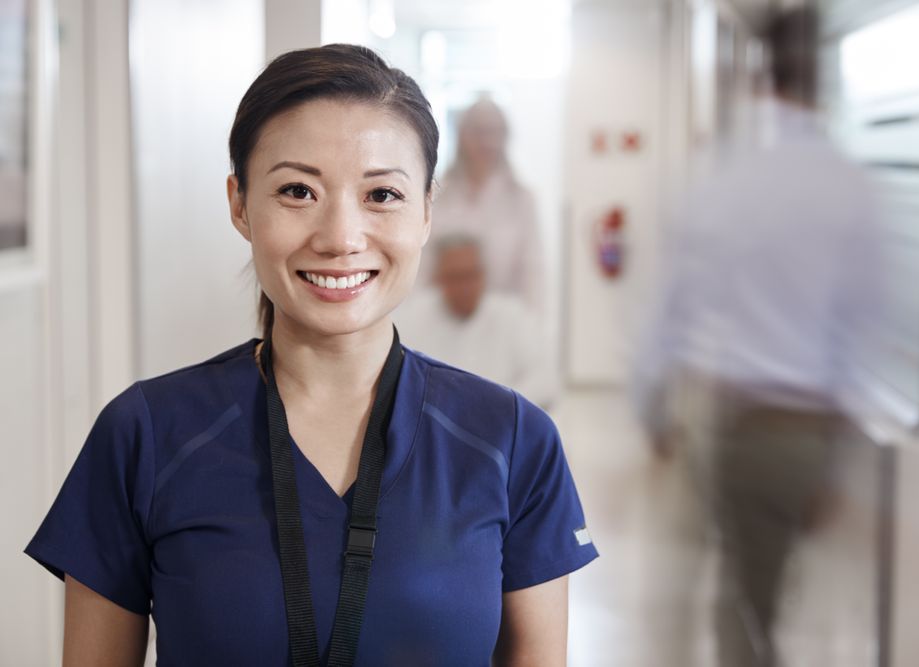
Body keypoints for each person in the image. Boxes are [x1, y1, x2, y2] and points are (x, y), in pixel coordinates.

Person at [25, 44, 597, 667]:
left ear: (429, 208)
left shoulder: (513, 442)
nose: (340, 238)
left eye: (382, 195)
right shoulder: (146, 434)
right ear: (240, 203)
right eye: (298, 190)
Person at [635, 7, 886, 667]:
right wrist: (838, 463)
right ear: (823, 81)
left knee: (731, 601)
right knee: (763, 597)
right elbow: (864, 330)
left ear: (758, 78)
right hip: (806, 431)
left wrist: (651, 409)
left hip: (724, 419)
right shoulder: (852, 188)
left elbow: (669, 311)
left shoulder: (725, 179)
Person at [397, 234, 557, 409]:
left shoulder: (512, 316)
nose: (465, 286)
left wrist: (494, 405)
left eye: (471, 275)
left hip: (501, 422)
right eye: (456, 277)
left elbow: (545, 382)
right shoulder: (411, 319)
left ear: (483, 275)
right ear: (439, 278)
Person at [423, 97, 544, 312]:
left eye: (494, 132)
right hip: (444, 318)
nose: (486, 141)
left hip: (504, 323)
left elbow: (533, 273)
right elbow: (422, 267)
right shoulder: (437, 194)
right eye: (478, 131)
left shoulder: (521, 199)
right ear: (462, 135)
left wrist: (532, 328)